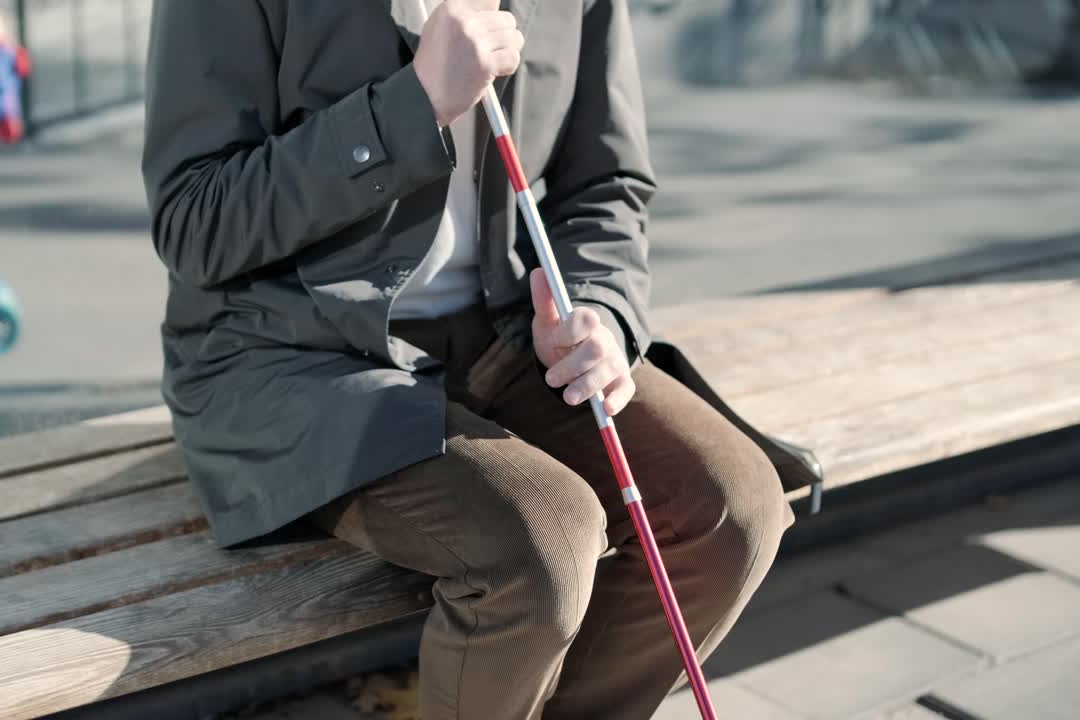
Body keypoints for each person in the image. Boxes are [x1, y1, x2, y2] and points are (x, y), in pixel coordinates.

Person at [143, 2, 822, 717]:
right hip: (293, 357)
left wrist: (603, 309)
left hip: (509, 329)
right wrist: (410, 106)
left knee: (731, 510)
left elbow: (603, 185)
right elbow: (195, 224)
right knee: (543, 543)